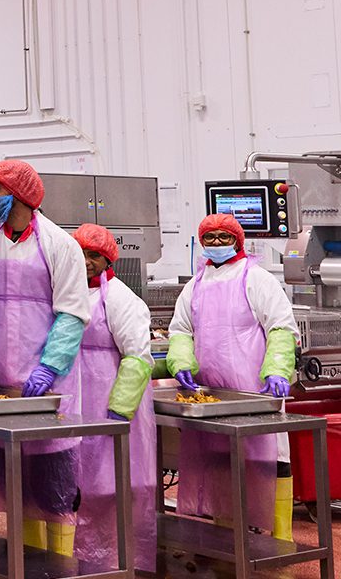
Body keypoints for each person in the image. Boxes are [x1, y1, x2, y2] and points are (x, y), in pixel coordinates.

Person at [0, 159, 90, 556]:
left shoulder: (59, 245)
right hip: (1, 383)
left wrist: (49, 366)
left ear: (17, 195)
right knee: (16, 482)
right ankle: (30, 561)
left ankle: (61, 563)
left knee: (55, 483)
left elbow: (72, 313)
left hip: (50, 386)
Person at [167, 214, 298, 540]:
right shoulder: (194, 286)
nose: (216, 243)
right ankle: (228, 540)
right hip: (213, 397)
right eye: (209, 237)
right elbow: (181, 330)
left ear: (237, 240)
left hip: (255, 394)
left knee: (270, 461)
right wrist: (181, 360)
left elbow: (281, 328)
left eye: (223, 237)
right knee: (220, 465)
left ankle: (279, 541)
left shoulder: (257, 279)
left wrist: (278, 370)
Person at [70, 224, 156, 572]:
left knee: (109, 483)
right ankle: (78, 557)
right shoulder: (65, 293)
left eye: (94, 256)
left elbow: (138, 357)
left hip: (109, 398)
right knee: (78, 482)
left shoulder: (121, 298)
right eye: (81, 255)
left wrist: (119, 409)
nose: (87, 262)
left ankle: (116, 560)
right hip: (74, 395)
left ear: (108, 259)